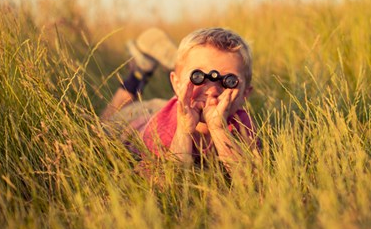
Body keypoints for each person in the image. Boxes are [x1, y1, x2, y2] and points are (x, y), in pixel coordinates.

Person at [101, 27, 260, 172]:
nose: (212, 91)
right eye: (198, 77)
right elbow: (165, 181)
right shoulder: (161, 130)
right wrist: (184, 130)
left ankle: (167, 66)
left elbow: (250, 180)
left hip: (173, 106)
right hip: (136, 120)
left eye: (229, 81)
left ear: (245, 93)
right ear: (175, 84)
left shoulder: (242, 124)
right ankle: (137, 75)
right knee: (103, 125)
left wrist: (219, 129)